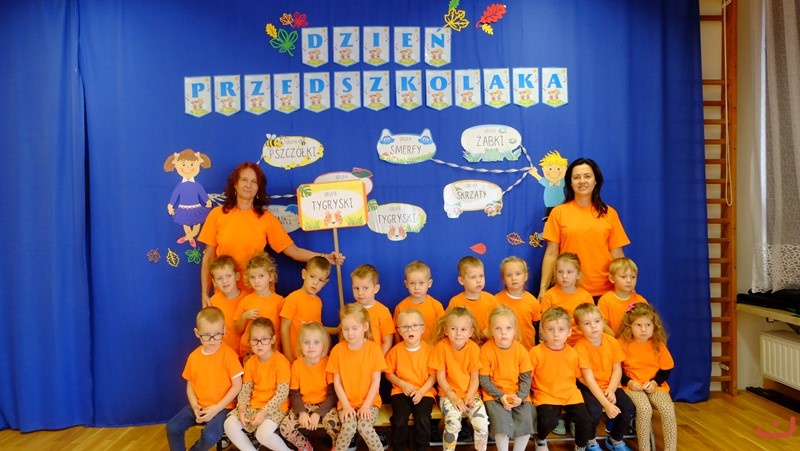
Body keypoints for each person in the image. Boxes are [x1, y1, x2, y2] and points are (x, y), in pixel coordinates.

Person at [199, 162, 344, 307]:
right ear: (235, 184)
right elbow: (209, 258)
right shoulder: (217, 215)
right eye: (244, 179)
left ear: (258, 188)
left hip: (259, 294)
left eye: (254, 181)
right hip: (226, 294)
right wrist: (205, 293)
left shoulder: (266, 218)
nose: (248, 185)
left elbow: (293, 251)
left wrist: (324, 257)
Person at [539, 158, 630, 300]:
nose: (582, 181)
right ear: (570, 182)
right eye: (576, 177)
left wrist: (627, 286)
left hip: (605, 292)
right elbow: (551, 254)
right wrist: (543, 288)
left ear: (596, 181)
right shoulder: (558, 213)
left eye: (587, 176)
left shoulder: (609, 213)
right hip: (568, 290)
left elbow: (617, 254)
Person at [166, 307, 243, 451]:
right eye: (207, 335)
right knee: (173, 427)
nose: (212, 340)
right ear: (197, 333)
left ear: (224, 331)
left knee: (210, 435)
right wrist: (195, 407)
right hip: (200, 406)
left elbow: (237, 386)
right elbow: (190, 385)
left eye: (217, 334)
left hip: (223, 408)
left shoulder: (229, 356)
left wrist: (217, 408)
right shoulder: (194, 357)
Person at [529, 306, 600, 451]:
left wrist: (599, 390)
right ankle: (540, 439)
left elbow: (579, 377)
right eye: (550, 329)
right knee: (548, 421)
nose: (556, 334)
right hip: (545, 394)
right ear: (543, 331)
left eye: (561, 330)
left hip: (570, 394)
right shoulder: (535, 353)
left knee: (585, 421)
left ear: (569, 332)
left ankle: (580, 447)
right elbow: (527, 377)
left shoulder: (573, 353)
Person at [572, 303, 635, 451]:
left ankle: (615, 439)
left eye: (597, 321)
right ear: (579, 328)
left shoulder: (611, 341)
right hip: (589, 386)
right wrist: (606, 404)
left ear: (602, 322)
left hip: (610, 384)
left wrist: (611, 389)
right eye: (587, 323)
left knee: (628, 408)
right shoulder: (580, 347)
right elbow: (588, 379)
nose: (593, 326)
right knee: (593, 412)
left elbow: (617, 369)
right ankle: (590, 440)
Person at [224, 318, 292, 451]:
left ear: (273, 339)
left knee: (262, 434)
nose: (259, 344)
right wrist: (242, 408)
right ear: (249, 341)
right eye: (255, 340)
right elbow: (245, 390)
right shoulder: (250, 362)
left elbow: (282, 394)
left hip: (275, 409)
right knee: (229, 424)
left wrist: (263, 413)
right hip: (254, 406)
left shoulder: (281, 362)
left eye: (264, 339)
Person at [327, 304, 388, 451]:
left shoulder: (374, 349)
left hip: (370, 402)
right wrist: (346, 405)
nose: (350, 333)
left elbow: (376, 381)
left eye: (355, 328)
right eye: (346, 329)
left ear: (365, 327)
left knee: (364, 427)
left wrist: (366, 405)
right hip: (346, 403)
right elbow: (337, 382)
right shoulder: (337, 351)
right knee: (348, 428)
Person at [428, 306, 489, 451]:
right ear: (446, 330)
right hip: (448, 396)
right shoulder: (441, 347)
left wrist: (469, 397)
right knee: (453, 423)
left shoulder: (474, 348)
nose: (458, 333)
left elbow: (475, 378)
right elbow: (440, 376)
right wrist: (453, 397)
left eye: (463, 329)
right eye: (453, 329)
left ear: (470, 332)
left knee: (482, 424)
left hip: (471, 394)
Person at [618, 303, 677, 451]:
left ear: (654, 326)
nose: (643, 330)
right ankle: (645, 448)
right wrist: (629, 382)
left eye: (648, 325)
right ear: (629, 326)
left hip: (655, 385)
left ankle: (671, 448)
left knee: (668, 409)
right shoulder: (622, 344)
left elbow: (666, 369)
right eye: (638, 325)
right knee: (644, 410)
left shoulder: (658, 345)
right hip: (632, 386)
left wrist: (655, 383)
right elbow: (616, 369)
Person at [478, 306, 534, 451]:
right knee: (501, 423)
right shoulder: (486, 350)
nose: (503, 333)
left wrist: (520, 397)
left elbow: (526, 378)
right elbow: (484, 379)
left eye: (508, 328)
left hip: (517, 394)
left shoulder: (520, 350)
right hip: (494, 395)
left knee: (525, 421)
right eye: (498, 328)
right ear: (491, 330)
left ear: (514, 330)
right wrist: (500, 396)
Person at [279, 322, 341, 451]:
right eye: (307, 342)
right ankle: (305, 446)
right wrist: (301, 412)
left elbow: (333, 395)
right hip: (304, 404)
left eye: (316, 342)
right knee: (285, 428)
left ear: (323, 345)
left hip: (325, 405)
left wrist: (318, 413)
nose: (311, 346)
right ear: (300, 345)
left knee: (336, 427)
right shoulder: (297, 365)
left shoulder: (328, 363)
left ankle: (337, 446)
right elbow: (294, 393)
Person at [385, 308, 436, 451]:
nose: (410, 330)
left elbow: (433, 376)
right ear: (399, 331)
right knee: (399, 419)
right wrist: (402, 384)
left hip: (424, 392)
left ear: (422, 329)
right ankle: (398, 447)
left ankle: (422, 448)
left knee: (423, 418)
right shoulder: (395, 351)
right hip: (400, 392)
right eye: (405, 327)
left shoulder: (430, 350)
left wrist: (421, 392)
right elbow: (388, 373)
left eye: (414, 326)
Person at [280, 256, 333, 363]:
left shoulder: (318, 302)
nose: (315, 282)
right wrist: (288, 355)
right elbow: (284, 328)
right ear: (304, 274)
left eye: (320, 280)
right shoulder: (293, 299)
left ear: (325, 283)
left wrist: (337, 330)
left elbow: (317, 328)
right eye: (312, 276)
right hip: (295, 357)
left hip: (312, 357)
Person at [234, 252, 285, 358]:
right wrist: (244, 317)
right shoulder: (246, 301)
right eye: (252, 277)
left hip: (272, 351)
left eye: (261, 276)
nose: (256, 281)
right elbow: (237, 329)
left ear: (270, 276)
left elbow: (284, 329)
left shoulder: (279, 301)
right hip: (250, 351)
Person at [540, 253, 593, 346]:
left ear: (578, 274)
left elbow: (590, 322)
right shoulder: (549, 295)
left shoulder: (585, 296)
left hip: (580, 343)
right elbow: (543, 323)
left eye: (569, 272)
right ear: (555, 273)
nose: (564, 276)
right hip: (556, 344)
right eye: (560, 272)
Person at [393, 260, 445, 344]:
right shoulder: (400, 307)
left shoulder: (436, 306)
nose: (416, 287)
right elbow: (396, 332)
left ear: (429, 283)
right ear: (406, 284)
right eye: (412, 283)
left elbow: (443, 329)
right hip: (409, 349)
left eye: (421, 283)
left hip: (432, 348)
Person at [495, 256, 541, 349]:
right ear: (503, 279)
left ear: (525, 276)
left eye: (518, 274)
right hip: (504, 350)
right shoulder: (496, 300)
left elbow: (537, 327)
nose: (513, 278)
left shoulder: (532, 301)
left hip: (527, 349)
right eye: (508, 275)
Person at [446, 256, 498, 336]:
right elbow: (447, 325)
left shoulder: (491, 299)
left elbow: (500, 321)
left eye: (481, 276)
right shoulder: (455, 302)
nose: (478, 280)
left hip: (488, 340)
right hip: (463, 341)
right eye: (473, 277)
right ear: (461, 280)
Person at [597, 258, 648, 336]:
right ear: (612, 279)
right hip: (613, 341)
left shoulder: (641, 300)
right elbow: (603, 324)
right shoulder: (605, 300)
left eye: (633, 277)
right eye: (623, 277)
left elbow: (646, 323)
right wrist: (616, 339)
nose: (629, 281)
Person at [351, 264, 395, 356]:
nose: (360, 293)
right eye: (356, 288)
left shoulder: (383, 311)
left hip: (375, 358)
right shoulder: (350, 310)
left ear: (376, 288)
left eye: (365, 288)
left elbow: (387, 342)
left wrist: (378, 360)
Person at [207, 255, 247, 353]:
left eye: (228, 276)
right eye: (219, 278)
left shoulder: (248, 298)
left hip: (246, 353)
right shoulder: (213, 302)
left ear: (237, 276)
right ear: (214, 282)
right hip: (223, 353)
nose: (225, 281)